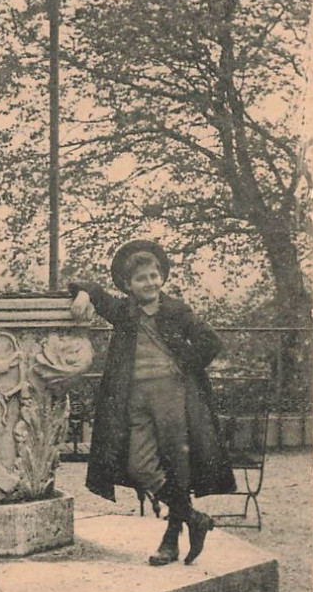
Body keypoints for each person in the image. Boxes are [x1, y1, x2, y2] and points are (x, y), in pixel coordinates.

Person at [69, 240, 235, 566]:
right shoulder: (124, 312)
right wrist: (84, 294)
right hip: (135, 399)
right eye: (142, 278)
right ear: (129, 285)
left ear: (162, 277)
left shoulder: (175, 310)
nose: (150, 283)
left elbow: (210, 341)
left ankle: (170, 541)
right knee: (139, 465)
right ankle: (194, 518)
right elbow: (91, 288)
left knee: (177, 466)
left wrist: (182, 362)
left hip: (173, 395)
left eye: (154, 276)